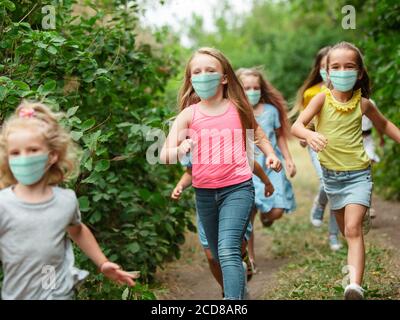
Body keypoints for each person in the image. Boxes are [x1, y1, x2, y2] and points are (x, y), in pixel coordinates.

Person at [160, 47, 281, 300]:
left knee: (227, 251)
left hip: (237, 188)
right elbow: (164, 155)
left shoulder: (238, 108)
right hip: (204, 194)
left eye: (210, 71)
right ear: (191, 80)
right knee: (216, 253)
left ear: (224, 77)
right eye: (197, 72)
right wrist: (180, 148)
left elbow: (257, 135)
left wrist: (269, 153)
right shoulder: (188, 115)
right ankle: (239, 287)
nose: (203, 76)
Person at [291, 42, 400, 299]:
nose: (342, 71)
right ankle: (356, 218)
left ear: (359, 73)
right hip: (332, 177)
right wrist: (309, 134)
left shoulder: (364, 104)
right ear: (327, 72)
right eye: (336, 67)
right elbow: (297, 125)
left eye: (349, 66)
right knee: (346, 230)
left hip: (358, 174)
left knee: (352, 231)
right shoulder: (320, 99)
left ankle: (354, 286)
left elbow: (384, 125)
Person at [0, 101, 138, 300]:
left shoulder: (65, 201)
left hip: (58, 293)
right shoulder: (3, 204)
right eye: (15, 153)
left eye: (33, 150)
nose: (24, 158)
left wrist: (102, 262)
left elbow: (78, 230)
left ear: (52, 156)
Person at [171, 157, 274, 298]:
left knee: (232, 248)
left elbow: (249, 161)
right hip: (206, 201)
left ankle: (235, 289)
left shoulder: (230, 138)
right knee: (213, 257)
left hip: (235, 195)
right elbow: (190, 171)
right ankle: (230, 291)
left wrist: (266, 181)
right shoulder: (194, 139)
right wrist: (180, 186)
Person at [237, 67, 297, 271]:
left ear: (261, 89)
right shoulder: (235, 112)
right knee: (248, 214)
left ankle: (267, 216)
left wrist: (288, 159)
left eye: (255, 88)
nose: (251, 91)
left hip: (273, 165)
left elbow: (279, 136)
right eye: (246, 88)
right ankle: (251, 260)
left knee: (277, 210)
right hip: (248, 168)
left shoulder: (271, 112)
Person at [294, 46, 342, 251]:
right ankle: (320, 205)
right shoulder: (312, 93)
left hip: (339, 145)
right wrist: (305, 136)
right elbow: (304, 121)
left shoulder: (345, 92)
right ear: (319, 68)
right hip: (316, 143)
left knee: (335, 189)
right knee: (328, 182)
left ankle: (333, 235)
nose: (325, 70)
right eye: (322, 66)